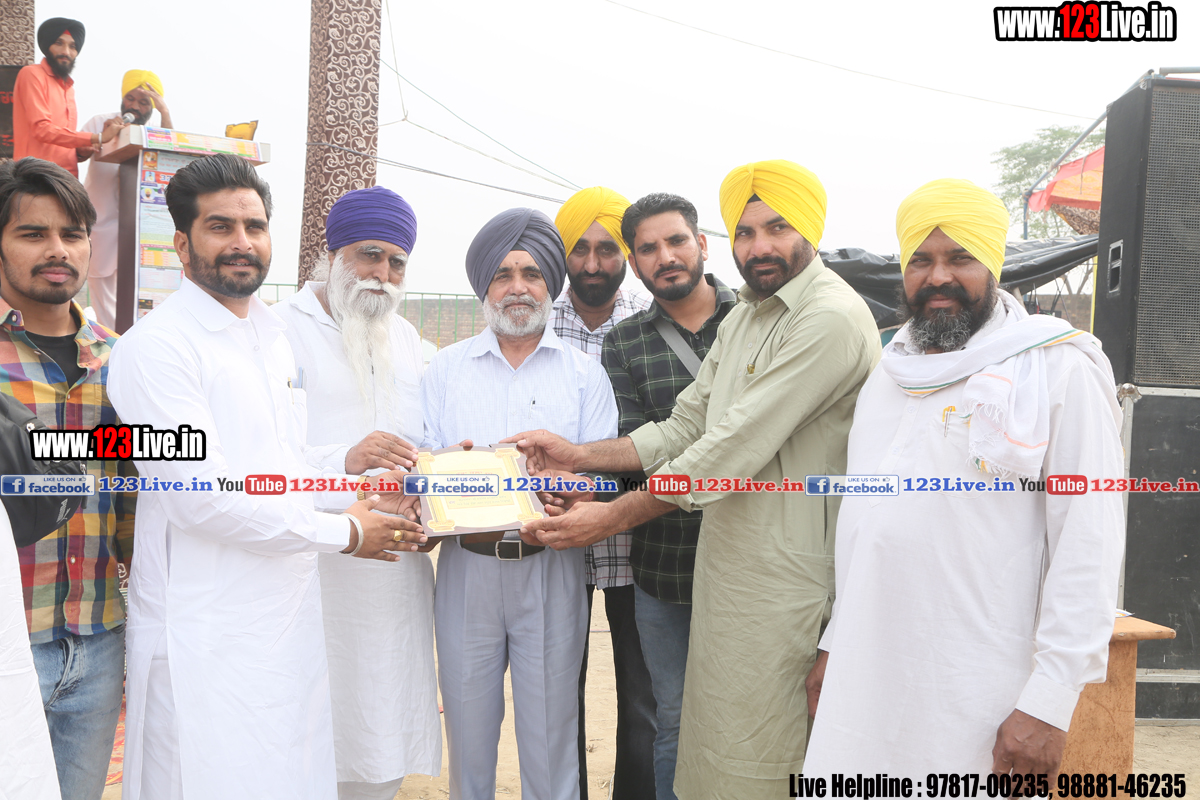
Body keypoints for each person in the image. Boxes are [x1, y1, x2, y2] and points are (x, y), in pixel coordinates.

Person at [505, 159, 881, 798]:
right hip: (725, 571)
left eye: (777, 227)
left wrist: (611, 516)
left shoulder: (828, 317)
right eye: (747, 232)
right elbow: (685, 426)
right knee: (707, 741)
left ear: (810, 229)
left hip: (791, 577)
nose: (759, 246)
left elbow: (728, 449)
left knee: (773, 751)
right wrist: (577, 454)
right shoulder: (747, 317)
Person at [107, 153, 426, 800]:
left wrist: (353, 472)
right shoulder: (156, 348)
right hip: (202, 639)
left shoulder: (269, 339)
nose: (242, 242)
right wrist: (348, 533)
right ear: (182, 243)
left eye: (254, 226)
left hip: (282, 628)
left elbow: (280, 468)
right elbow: (201, 498)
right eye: (220, 226)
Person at [802, 179, 1125, 777]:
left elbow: (1089, 543)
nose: (938, 277)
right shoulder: (887, 372)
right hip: (863, 674)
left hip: (977, 688)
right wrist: (834, 644)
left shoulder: (1056, 369)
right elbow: (865, 530)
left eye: (960, 258)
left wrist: (1050, 703)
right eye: (920, 261)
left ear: (993, 265)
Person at [422, 207, 617, 800]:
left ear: (550, 284)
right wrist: (447, 477)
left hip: (551, 570)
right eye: (503, 274)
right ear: (483, 286)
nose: (518, 288)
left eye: (532, 274)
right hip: (466, 571)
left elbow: (603, 481)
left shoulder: (585, 374)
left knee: (552, 745)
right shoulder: (445, 369)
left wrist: (569, 485)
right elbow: (421, 470)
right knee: (468, 743)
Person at [273, 186, 440, 800]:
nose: (382, 274)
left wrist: (437, 495)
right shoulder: (278, 332)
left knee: (382, 727)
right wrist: (343, 462)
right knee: (309, 728)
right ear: (333, 254)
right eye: (370, 255)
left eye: (397, 263)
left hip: (395, 571)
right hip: (312, 566)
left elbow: (426, 441)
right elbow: (260, 458)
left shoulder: (407, 339)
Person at [0, 156, 136, 800]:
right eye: (33, 233)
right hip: (7, 642)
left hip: (97, 637)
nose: (58, 249)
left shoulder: (122, 359)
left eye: (72, 234)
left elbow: (140, 491)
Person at [601, 192, 738, 800]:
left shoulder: (759, 320)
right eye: (649, 249)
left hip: (753, 560)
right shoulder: (623, 343)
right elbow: (638, 451)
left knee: (754, 712)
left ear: (702, 244)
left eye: (676, 241)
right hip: (665, 565)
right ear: (635, 265)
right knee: (673, 720)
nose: (666, 257)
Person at [551, 186, 655, 800]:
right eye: (580, 249)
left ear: (626, 255)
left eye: (607, 249)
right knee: (557, 696)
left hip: (634, 539)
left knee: (642, 700)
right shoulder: (538, 322)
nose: (593, 264)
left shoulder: (649, 323)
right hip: (554, 543)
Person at [81, 70, 174, 329]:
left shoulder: (154, 132)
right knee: (106, 309)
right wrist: (103, 138)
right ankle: (113, 351)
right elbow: (76, 152)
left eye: (144, 102)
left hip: (141, 234)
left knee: (143, 308)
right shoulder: (100, 122)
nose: (135, 106)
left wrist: (165, 112)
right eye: (130, 98)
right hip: (101, 227)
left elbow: (170, 152)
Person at [13, 19, 125, 177]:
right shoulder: (31, 74)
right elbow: (42, 129)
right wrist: (98, 137)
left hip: (66, 179)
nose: (66, 51)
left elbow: (63, 142)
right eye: (59, 43)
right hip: (34, 177)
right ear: (47, 46)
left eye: (72, 46)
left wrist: (82, 150)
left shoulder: (69, 88)